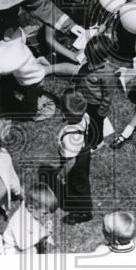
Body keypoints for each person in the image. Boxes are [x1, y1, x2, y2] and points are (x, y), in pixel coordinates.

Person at [56, 90, 93, 225]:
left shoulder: (70, 138)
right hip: (83, 151)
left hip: (76, 160)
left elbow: (71, 161)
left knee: (77, 185)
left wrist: (62, 174)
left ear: (64, 112)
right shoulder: (85, 116)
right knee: (81, 181)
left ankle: (83, 212)